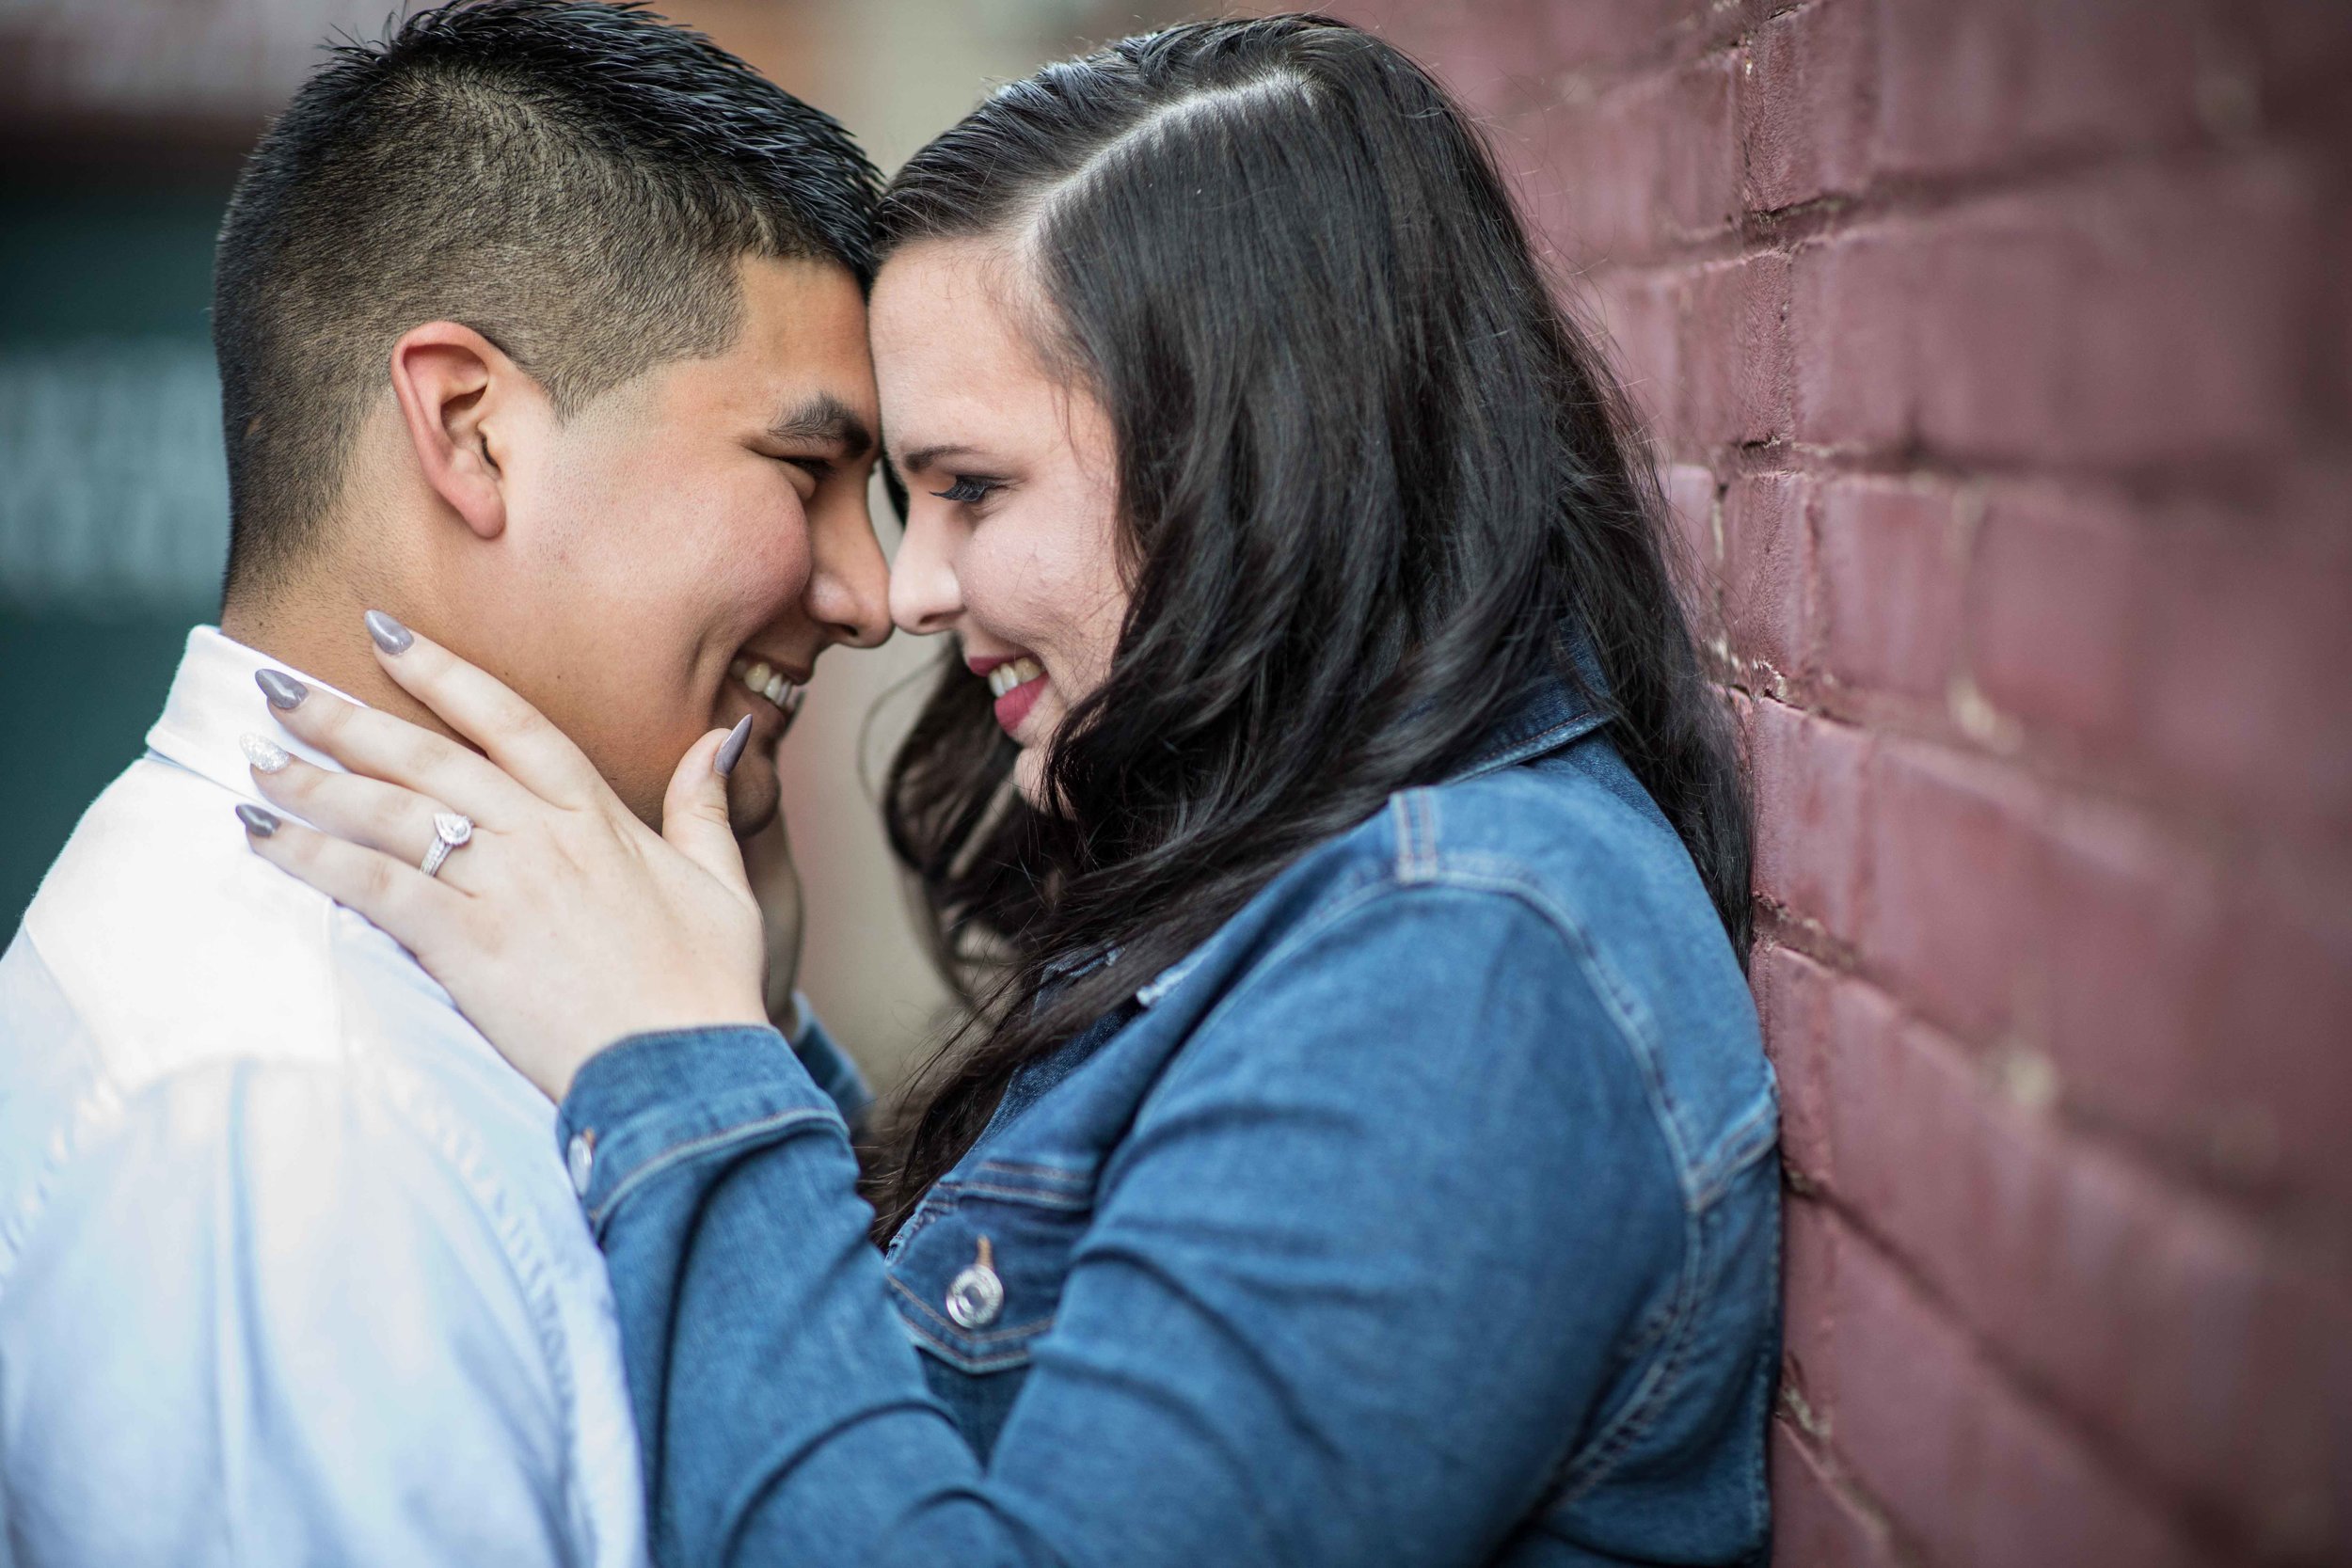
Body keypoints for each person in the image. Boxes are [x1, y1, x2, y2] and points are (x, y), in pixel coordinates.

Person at [240, 15, 1780, 1566]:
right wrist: (758, 1028)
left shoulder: (1457, 978)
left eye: (969, 490)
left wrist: (682, 1075)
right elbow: (966, 1416)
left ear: (1245, 462)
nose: (908, 588)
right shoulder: (1334, 891)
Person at [0, 4, 889, 1562]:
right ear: (470, 427)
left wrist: (751, 1046)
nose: (870, 592)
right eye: (803, 474)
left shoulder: (434, 1004)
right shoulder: (285, 1106)